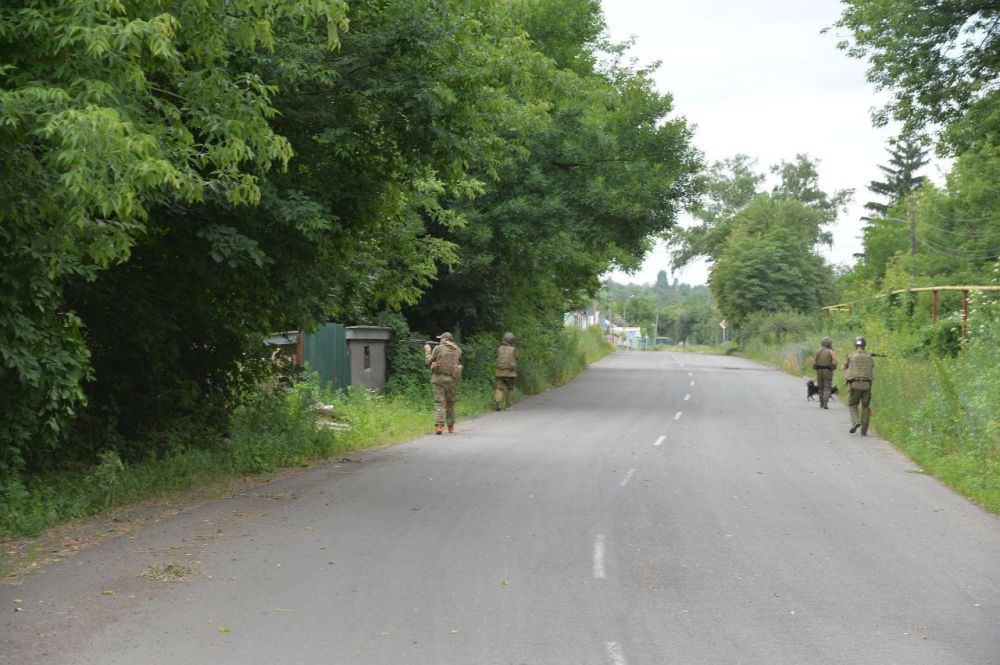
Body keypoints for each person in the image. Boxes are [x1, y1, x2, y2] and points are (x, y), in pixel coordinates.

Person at [425, 332, 462, 434]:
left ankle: (439, 427)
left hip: (439, 379)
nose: (440, 340)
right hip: (452, 380)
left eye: (441, 338)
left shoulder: (438, 348)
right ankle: (450, 427)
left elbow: (428, 361)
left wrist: (427, 350)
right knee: (450, 403)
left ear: (445, 339)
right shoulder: (458, 350)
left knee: (439, 402)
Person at [843, 336, 874, 435]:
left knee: (852, 405)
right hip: (867, 385)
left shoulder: (851, 356)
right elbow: (872, 366)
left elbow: (844, 367)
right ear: (864, 345)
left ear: (855, 345)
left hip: (854, 384)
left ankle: (856, 422)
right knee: (865, 407)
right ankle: (864, 431)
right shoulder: (869, 356)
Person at [493, 332, 518, 411]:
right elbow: (517, 358)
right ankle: (509, 406)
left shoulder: (499, 349)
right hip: (511, 373)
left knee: (499, 388)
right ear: (512, 341)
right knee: (510, 388)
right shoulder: (514, 349)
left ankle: (497, 400)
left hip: (500, 373)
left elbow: (496, 356)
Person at [813, 336, 837, 409]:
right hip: (828, 371)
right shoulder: (830, 351)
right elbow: (835, 362)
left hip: (819, 371)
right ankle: (825, 403)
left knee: (820, 387)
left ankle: (821, 403)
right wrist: (833, 366)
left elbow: (814, 362)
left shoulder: (818, 351)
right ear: (829, 344)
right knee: (827, 387)